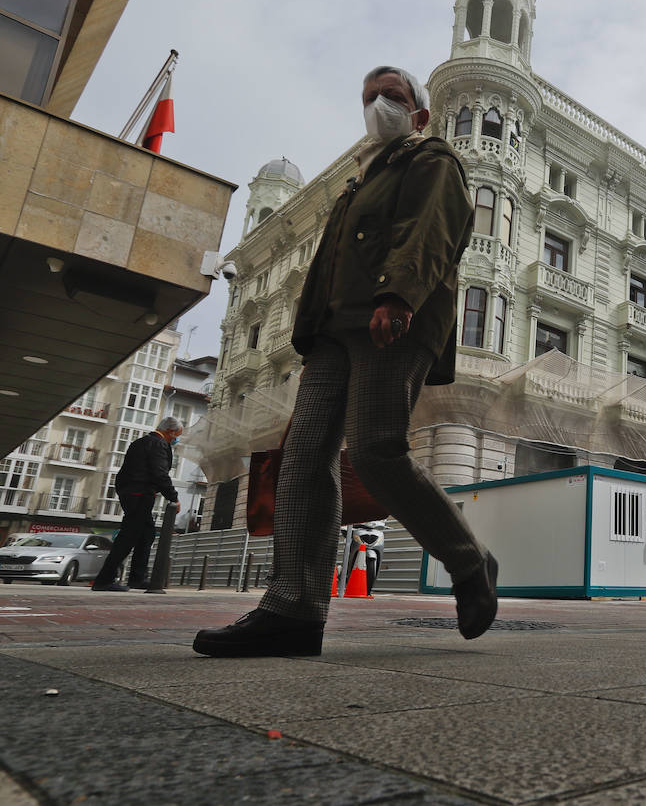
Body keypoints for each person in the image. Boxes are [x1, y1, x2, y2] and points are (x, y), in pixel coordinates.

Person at [195, 66, 495, 657]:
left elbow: (429, 231)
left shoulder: (432, 159)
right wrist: (309, 338)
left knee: (376, 453)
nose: (378, 104)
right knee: (301, 460)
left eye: (392, 95)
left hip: (391, 319)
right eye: (369, 97)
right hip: (335, 334)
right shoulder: (360, 181)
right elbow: (329, 267)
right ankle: (295, 608)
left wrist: (397, 295)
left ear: (420, 113)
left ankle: (469, 562)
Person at [91, 416, 182, 591]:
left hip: (130, 492)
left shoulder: (140, 442)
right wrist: (173, 497)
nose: (176, 439)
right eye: (176, 435)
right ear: (170, 432)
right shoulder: (158, 444)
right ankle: (104, 580)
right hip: (140, 493)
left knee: (146, 534)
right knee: (128, 536)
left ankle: (137, 578)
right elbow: (160, 473)